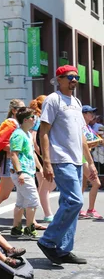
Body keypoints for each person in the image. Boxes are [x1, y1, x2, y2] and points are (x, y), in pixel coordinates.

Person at [38, 65, 97, 265]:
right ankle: (47, 241)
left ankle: (63, 250)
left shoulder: (76, 102)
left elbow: (80, 135)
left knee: (68, 203)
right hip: (60, 159)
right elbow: (43, 131)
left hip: (75, 159)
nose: (74, 79)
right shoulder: (53, 100)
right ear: (59, 79)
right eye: (69, 76)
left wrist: (90, 162)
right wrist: (46, 161)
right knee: (75, 202)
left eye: (76, 76)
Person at [0, 99, 25, 220]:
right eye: (21, 109)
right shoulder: (10, 123)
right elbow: (1, 144)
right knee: (4, 194)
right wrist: (18, 149)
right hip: (9, 162)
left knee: (24, 193)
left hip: (17, 161)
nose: (24, 111)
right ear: (14, 110)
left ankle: (29, 222)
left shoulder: (18, 123)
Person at [9, 107, 43, 239]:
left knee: (21, 201)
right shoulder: (18, 134)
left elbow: (32, 153)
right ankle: (29, 228)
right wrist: (20, 172)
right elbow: (14, 155)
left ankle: (16, 228)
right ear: (25, 120)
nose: (35, 120)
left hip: (26, 172)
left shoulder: (27, 133)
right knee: (33, 201)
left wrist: (40, 168)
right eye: (32, 117)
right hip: (22, 173)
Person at [29, 96, 56, 223]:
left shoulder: (39, 117)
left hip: (37, 155)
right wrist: (41, 154)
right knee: (46, 183)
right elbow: (34, 139)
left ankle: (30, 205)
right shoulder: (38, 118)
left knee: (45, 184)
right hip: (36, 156)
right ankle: (46, 213)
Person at [79, 106, 103, 220]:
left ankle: (78, 209)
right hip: (82, 158)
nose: (93, 114)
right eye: (90, 112)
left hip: (86, 157)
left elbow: (94, 139)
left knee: (83, 185)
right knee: (96, 183)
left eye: (93, 112)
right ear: (83, 114)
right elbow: (82, 143)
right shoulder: (80, 126)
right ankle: (90, 210)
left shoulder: (88, 126)